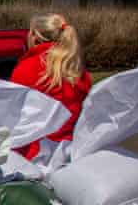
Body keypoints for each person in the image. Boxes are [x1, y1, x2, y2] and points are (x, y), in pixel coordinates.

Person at [10, 12, 91, 160]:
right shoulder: (78, 71)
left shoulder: (25, 69)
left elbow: (12, 117)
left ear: (34, 36)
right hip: (69, 152)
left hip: (31, 156)